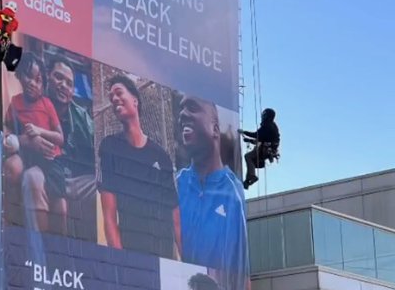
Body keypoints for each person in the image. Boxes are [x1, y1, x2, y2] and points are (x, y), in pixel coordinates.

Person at [98, 75, 181, 261]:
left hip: (164, 260)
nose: (114, 99)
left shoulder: (161, 156)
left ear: (135, 100)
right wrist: (122, 263)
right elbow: (109, 217)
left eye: (119, 93)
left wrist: (185, 267)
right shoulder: (110, 147)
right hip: (133, 260)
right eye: (111, 98)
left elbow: (176, 220)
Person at [175, 95, 247, 276]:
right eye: (181, 109)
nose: (182, 114)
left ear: (215, 129)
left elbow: (242, 268)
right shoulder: (175, 185)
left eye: (192, 107)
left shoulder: (233, 193)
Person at [3, 52, 67, 235]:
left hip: (51, 158)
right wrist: (17, 140)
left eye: (38, 80)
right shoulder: (15, 102)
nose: (32, 83)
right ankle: (9, 222)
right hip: (27, 155)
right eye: (28, 77)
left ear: (43, 85)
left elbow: (60, 138)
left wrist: (39, 131)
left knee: (59, 202)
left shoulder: (46, 104)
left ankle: (59, 240)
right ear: (20, 76)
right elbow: (7, 128)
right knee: (12, 168)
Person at [36, 54, 97, 240]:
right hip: (44, 173)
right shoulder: (33, 103)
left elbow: (98, 149)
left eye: (69, 83)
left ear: (72, 91)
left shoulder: (81, 117)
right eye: (58, 77)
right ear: (47, 76)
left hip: (74, 180)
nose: (63, 85)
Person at [241, 109, 281, 189]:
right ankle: (248, 179)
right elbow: (261, 139)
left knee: (248, 157)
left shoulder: (267, 125)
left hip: (264, 150)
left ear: (266, 116)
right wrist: (249, 140)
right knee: (251, 159)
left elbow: (257, 135)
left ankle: (251, 176)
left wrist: (244, 132)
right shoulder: (273, 126)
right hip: (267, 150)